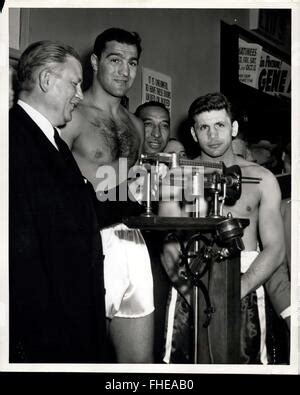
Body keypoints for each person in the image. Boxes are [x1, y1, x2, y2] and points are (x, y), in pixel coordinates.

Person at [9, 40, 116, 363]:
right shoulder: (12, 139)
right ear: (46, 81)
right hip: (46, 333)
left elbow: (83, 212)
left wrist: (141, 197)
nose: (80, 95)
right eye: (74, 84)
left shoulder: (52, 141)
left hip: (74, 323)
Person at [162, 92, 288, 364]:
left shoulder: (263, 178)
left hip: (245, 285)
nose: (212, 134)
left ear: (233, 128)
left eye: (219, 125)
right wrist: (194, 296)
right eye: (204, 127)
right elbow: (169, 246)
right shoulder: (176, 177)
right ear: (194, 134)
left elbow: (276, 249)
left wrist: (238, 289)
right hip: (189, 283)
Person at [61, 28, 154, 363]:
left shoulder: (136, 126)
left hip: (132, 237)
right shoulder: (72, 115)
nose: (124, 71)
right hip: (89, 240)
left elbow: (134, 187)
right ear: (96, 61)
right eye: (115, 60)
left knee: (139, 363)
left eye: (132, 63)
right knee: (86, 355)